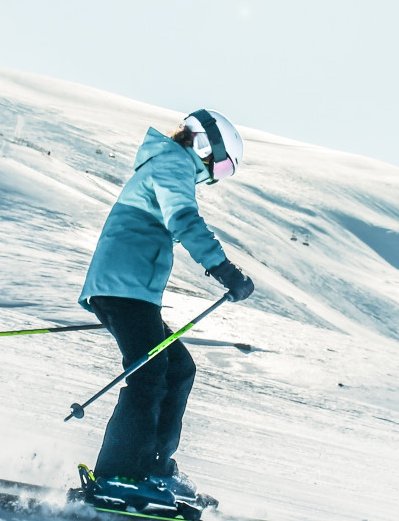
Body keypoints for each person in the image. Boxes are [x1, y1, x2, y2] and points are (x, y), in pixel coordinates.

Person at [78, 109, 255, 511]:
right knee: (150, 377)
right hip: (124, 287)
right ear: (207, 146)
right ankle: (118, 476)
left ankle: (154, 469)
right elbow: (184, 220)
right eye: (224, 167)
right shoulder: (173, 162)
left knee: (177, 369)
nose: (216, 176)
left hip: (133, 288)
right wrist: (224, 269)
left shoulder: (168, 162)